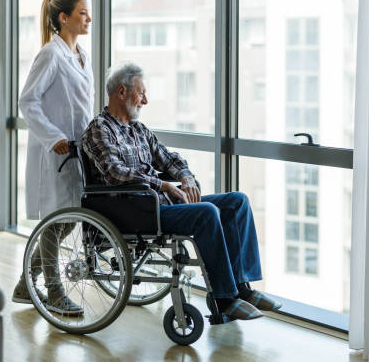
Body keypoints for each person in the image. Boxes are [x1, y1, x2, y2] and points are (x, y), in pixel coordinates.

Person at [82, 63, 282, 320]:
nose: (146, 100)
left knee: (237, 202)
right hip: (135, 211)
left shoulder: (138, 130)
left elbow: (169, 159)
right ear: (121, 92)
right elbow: (115, 173)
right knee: (206, 213)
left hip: (160, 205)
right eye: (141, 93)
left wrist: (186, 178)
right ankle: (224, 298)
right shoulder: (99, 129)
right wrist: (163, 185)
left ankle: (242, 288)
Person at [11, 0, 93, 315]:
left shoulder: (81, 55)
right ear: (64, 17)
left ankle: (24, 284)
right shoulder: (50, 55)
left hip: (78, 151)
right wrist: (53, 136)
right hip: (55, 151)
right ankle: (55, 292)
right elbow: (27, 101)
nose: (88, 18)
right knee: (54, 221)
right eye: (82, 13)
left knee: (69, 219)